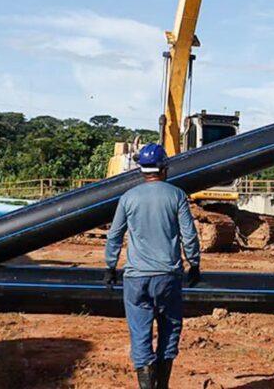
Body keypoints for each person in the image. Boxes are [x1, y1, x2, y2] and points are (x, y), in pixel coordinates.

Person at [104, 143, 202, 389]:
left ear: (141, 170)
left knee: (140, 336)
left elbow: (114, 235)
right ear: (164, 168)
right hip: (168, 277)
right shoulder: (176, 195)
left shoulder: (128, 198)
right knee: (170, 331)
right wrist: (195, 263)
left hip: (136, 279)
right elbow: (188, 235)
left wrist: (110, 266)